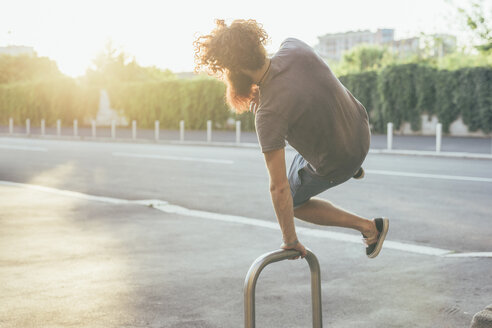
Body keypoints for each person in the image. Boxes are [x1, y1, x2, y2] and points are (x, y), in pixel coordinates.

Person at [193, 19, 389, 259]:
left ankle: (370, 228)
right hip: (360, 130)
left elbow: (279, 188)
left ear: (235, 71)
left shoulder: (268, 113)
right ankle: (353, 166)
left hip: (340, 160)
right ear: (257, 42)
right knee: (302, 119)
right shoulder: (295, 46)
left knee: (294, 202)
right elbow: (304, 89)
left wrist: (290, 240)